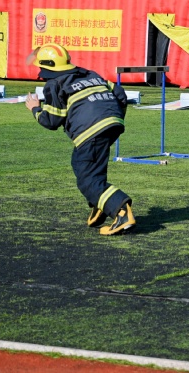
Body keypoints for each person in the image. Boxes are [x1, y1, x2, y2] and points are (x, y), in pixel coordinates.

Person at [24, 43, 135, 235]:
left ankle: (121, 212)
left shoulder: (54, 84)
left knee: (87, 180)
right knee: (81, 164)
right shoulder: (90, 74)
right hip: (112, 124)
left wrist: (34, 108)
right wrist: (114, 118)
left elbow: (51, 120)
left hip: (91, 130)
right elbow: (119, 93)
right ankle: (100, 204)